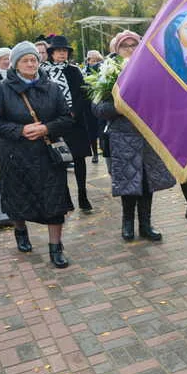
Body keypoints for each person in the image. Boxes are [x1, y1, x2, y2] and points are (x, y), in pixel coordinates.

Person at [0, 41, 74, 268]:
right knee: (17, 198)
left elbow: (67, 118)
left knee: (55, 201)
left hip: (47, 154)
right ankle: (20, 231)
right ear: (15, 64)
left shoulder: (51, 87)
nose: (31, 63)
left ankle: (56, 247)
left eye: (34, 59)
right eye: (25, 60)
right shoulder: (3, 88)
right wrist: (19, 130)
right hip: (16, 155)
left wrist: (46, 128)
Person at [92, 31, 175, 241]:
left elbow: (166, 101)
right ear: (116, 50)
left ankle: (146, 225)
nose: (130, 49)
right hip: (123, 136)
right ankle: (127, 224)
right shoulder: (108, 73)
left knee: (148, 182)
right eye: (124, 46)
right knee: (128, 183)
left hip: (148, 135)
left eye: (134, 44)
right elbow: (98, 109)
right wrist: (121, 107)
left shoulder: (152, 69)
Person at [41, 35, 94, 211]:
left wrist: (74, 112)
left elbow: (83, 93)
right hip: (55, 122)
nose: (62, 54)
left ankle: (83, 195)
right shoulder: (43, 71)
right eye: (58, 51)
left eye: (64, 51)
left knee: (79, 159)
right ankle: (64, 197)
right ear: (52, 54)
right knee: (59, 160)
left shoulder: (73, 70)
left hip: (75, 122)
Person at [82, 50, 104, 163]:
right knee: (91, 130)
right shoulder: (83, 71)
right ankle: (95, 153)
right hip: (88, 105)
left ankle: (102, 149)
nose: (94, 62)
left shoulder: (103, 70)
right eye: (92, 60)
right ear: (88, 61)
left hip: (100, 102)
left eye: (97, 60)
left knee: (101, 128)